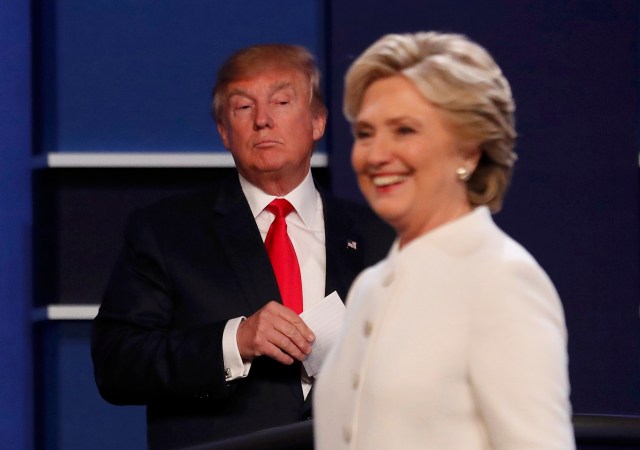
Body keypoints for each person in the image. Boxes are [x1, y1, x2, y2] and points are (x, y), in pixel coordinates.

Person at [91, 44, 394, 449]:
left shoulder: (381, 236)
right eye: (243, 107)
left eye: (282, 102)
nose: (263, 121)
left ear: (318, 121)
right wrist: (235, 341)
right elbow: (117, 365)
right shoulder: (165, 232)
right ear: (223, 131)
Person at [314, 32, 574, 449]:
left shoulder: (501, 281)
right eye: (365, 133)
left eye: (404, 130)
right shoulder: (368, 287)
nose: (376, 154)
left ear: (469, 151)